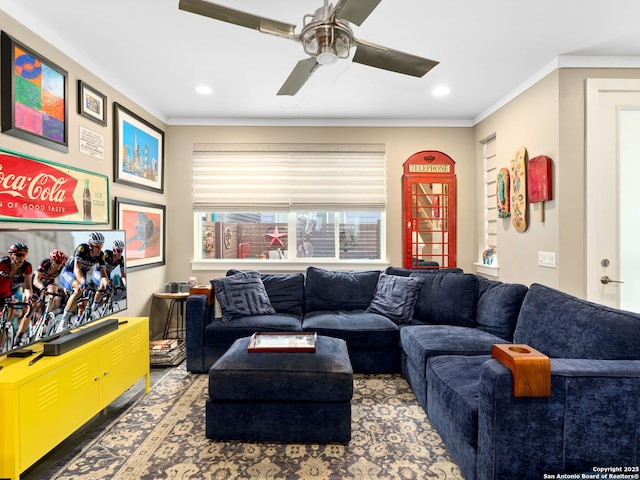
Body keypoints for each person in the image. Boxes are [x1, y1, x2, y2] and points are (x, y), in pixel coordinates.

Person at [59, 232, 109, 327]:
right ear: (90, 245)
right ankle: (63, 320)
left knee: (83, 302)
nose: (100, 249)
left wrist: (107, 286)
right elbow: (76, 269)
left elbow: (103, 275)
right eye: (98, 246)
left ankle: (78, 323)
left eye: (101, 246)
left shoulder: (100, 255)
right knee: (78, 289)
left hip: (82, 275)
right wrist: (82, 282)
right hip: (69, 272)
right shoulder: (82, 249)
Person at [0, 243, 37, 347]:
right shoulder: (3, 263)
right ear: (11, 255)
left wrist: (29, 297)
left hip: (5, 293)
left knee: (4, 322)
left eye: (24, 255)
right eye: (19, 255)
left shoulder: (26, 266)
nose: (22, 258)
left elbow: (28, 287)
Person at [32, 249, 67, 318]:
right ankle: (34, 319)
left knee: (53, 290)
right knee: (34, 305)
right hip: (36, 285)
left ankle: (47, 313)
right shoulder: (45, 263)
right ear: (51, 260)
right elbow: (36, 280)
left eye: (61, 262)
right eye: (57, 262)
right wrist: (41, 287)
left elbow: (64, 280)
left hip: (48, 283)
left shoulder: (61, 267)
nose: (59, 264)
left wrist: (66, 289)